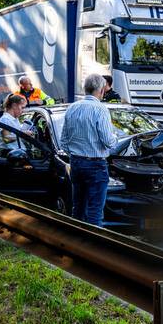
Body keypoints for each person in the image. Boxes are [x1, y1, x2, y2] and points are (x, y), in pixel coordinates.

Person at [60, 73, 117, 226]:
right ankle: (93, 241)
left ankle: (76, 239)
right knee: (95, 213)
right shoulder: (101, 109)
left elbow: (63, 141)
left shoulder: (72, 108)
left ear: (85, 88)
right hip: (96, 165)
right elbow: (108, 141)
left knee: (78, 209)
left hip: (76, 163)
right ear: (102, 90)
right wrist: (116, 138)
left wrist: (75, 154)